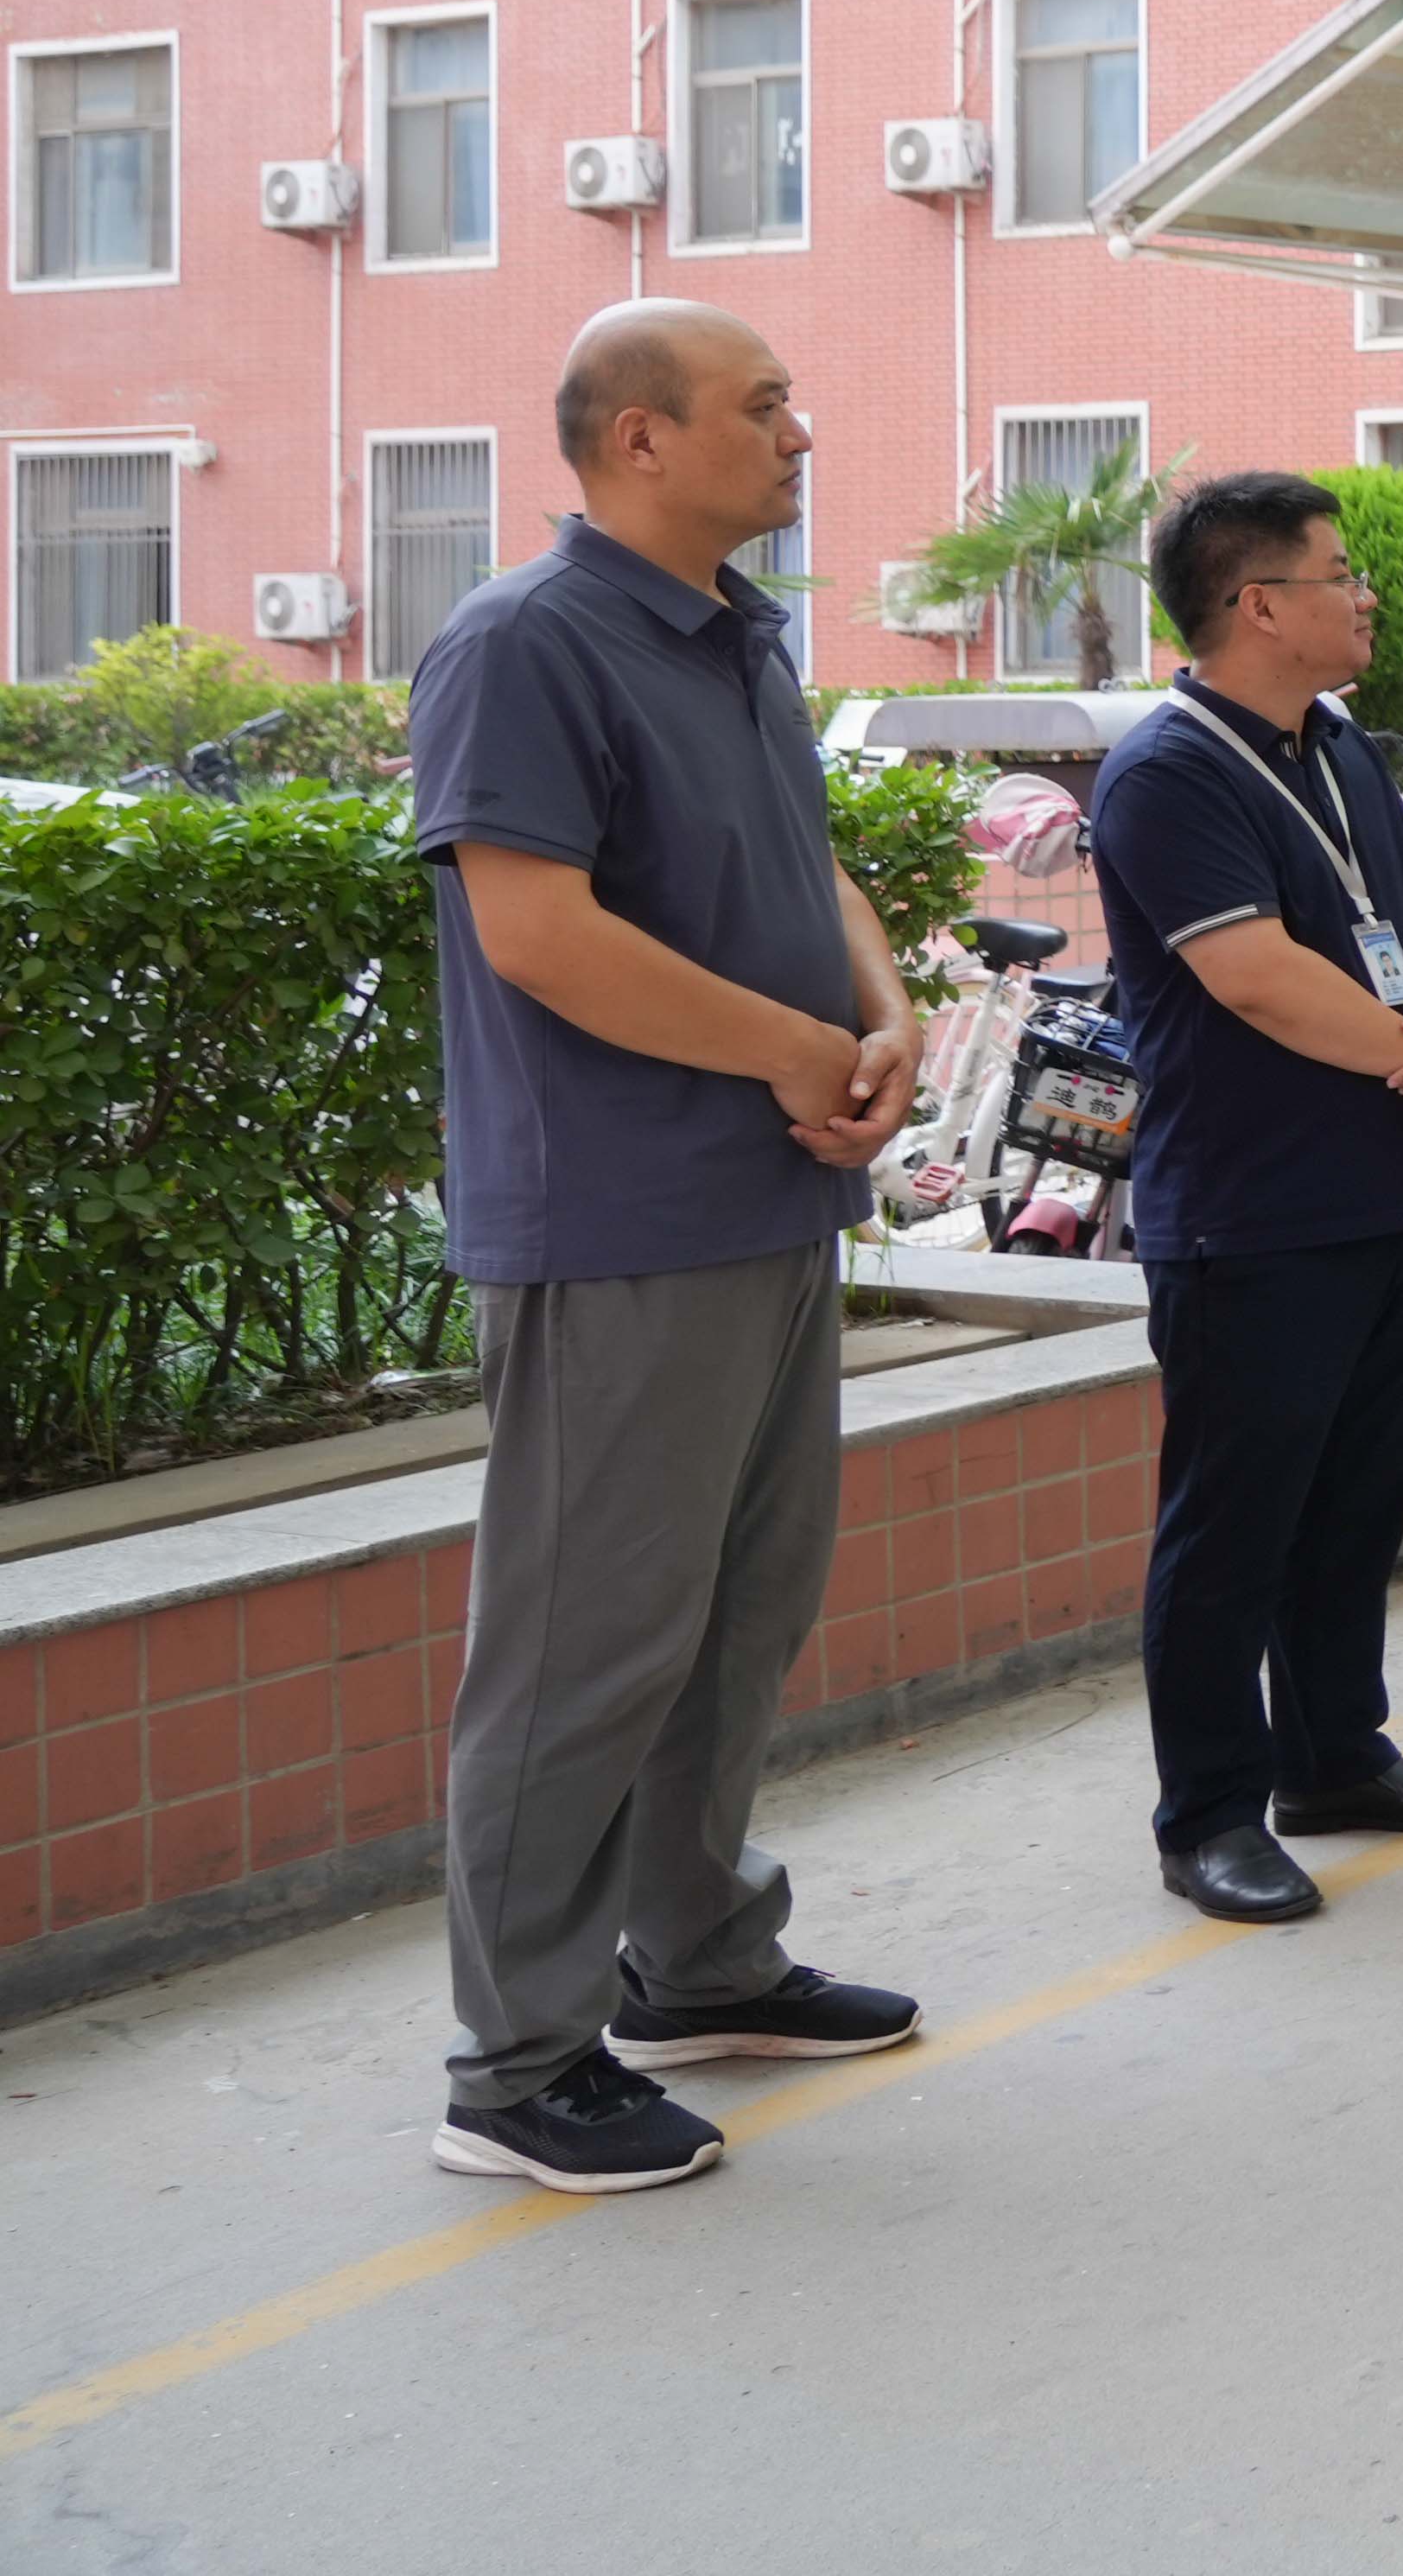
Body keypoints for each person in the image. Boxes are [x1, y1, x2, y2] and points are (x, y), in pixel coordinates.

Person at [405, 303, 924, 2191]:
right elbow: (536, 929)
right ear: (638, 436)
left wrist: (883, 1009)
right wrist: (794, 1046)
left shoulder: (734, 635)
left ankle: (696, 1960)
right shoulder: (524, 642)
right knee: (581, 1647)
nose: (800, 433)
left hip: (769, 1197)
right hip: (619, 1219)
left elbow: (810, 860)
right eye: (762, 405)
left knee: (735, 1614)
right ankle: (515, 2064)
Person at [1086, 471, 1403, 1924]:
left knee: (1356, 1496)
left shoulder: (1331, 742)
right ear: (1259, 604)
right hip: (1251, 1211)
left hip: (1379, 1185)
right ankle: (1209, 1811)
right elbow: (1253, 974)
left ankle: (1335, 1755)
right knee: (1234, 1522)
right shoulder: (1167, 773)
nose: (1366, 593)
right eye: (1340, 573)